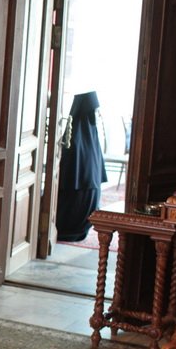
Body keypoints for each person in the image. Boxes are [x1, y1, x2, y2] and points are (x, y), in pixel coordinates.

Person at [56, 92, 106, 242]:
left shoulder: (92, 133)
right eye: (95, 112)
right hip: (75, 193)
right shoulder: (74, 137)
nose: (97, 115)